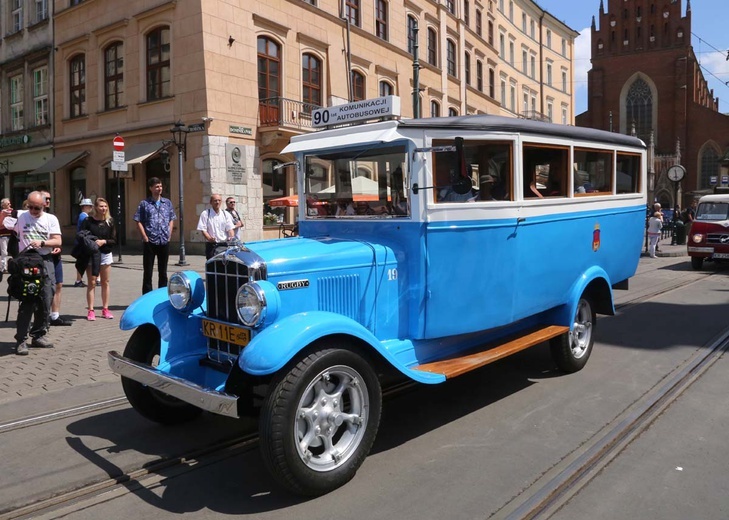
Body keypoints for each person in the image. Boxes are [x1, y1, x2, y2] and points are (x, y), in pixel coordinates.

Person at [3, 191, 61, 355]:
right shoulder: (20, 216)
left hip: (44, 259)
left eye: (37, 208)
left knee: (46, 298)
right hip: (26, 261)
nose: (33, 211)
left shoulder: (51, 219)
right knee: (28, 299)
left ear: (44, 205)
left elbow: (58, 240)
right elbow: (4, 221)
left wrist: (43, 242)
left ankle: (38, 334)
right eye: (31, 207)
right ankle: (21, 340)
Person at [134, 177, 177, 294]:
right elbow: (138, 220)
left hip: (164, 240)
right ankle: (147, 295)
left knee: (163, 271)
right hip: (150, 241)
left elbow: (171, 218)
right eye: (157, 187)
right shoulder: (144, 204)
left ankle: (162, 294)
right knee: (148, 271)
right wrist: (145, 237)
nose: (159, 189)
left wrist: (169, 234)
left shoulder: (167, 203)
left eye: (160, 186)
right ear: (150, 188)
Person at [81, 198, 117, 321]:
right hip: (92, 254)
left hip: (106, 253)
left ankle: (105, 309)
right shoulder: (88, 221)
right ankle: (91, 310)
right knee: (91, 282)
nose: (103, 209)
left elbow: (114, 240)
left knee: (105, 282)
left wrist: (104, 241)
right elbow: (82, 236)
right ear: (96, 207)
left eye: (105, 206)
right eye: (101, 206)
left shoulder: (110, 221)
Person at [41, 190, 70, 326]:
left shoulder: (51, 217)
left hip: (54, 255)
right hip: (39, 257)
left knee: (58, 284)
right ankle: (41, 316)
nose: (48, 201)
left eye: (49, 199)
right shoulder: (29, 217)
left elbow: (57, 238)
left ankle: (55, 316)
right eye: (45, 198)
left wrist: (58, 247)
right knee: (43, 287)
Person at [197, 194, 234, 259]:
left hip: (224, 245)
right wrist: (209, 238)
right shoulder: (205, 214)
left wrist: (231, 237)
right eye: (215, 200)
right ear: (211, 202)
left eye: (219, 200)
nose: (217, 202)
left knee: (224, 265)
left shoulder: (226, 214)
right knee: (212, 266)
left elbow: (230, 229)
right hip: (212, 245)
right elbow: (203, 229)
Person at [73, 198, 94, 287]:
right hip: (82, 243)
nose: (91, 208)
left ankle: (79, 279)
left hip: (80, 242)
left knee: (81, 261)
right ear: (84, 207)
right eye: (89, 206)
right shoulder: (84, 217)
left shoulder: (83, 215)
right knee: (82, 262)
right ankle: (78, 280)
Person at [0, 198, 12, 273]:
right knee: (4, 252)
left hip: (12, 235)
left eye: (10, 203)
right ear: (3, 205)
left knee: (13, 251)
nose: (10, 205)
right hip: (3, 235)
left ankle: (13, 267)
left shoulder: (13, 212)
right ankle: (3, 267)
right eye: (8, 204)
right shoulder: (1, 213)